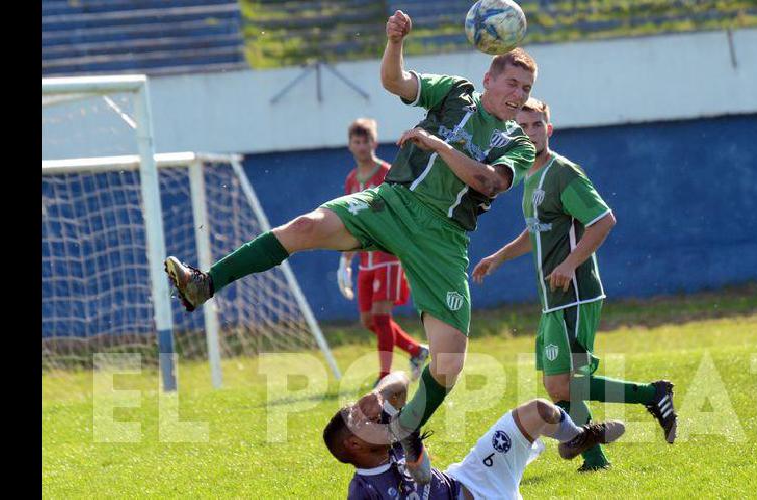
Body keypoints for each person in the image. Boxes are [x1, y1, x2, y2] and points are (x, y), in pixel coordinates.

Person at [164, 9, 538, 484]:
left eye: (525, 90)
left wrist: (435, 144)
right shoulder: (457, 93)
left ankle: (405, 436)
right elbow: (395, 81)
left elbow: (487, 182)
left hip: (442, 238)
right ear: (489, 77)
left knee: (448, 363)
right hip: (392, 202)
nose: (518, 96)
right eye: (512, 84)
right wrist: (395, 41)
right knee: (303, 227)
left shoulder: (516, 142)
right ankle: (204, 283)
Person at [472, 98, 678, 471]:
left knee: (569, 384)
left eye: (537, 125)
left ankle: (650, 397)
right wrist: (498, 256)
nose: (530, 133)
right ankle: (599, 452)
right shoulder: (529, 175)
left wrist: (569, 263)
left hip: (576, 295)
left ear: (549, 130)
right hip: (554, 298)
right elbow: (536, 230)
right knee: (560, 386)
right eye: (522, 128)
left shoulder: (563, 172)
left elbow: (603, 220)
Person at [324, 372, 626, 499]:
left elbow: (401, 380)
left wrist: (377, 394)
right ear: (353, 444)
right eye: (361, 420)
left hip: (474, 477)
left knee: (538, 411)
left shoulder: (389, 431)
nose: (372, 416)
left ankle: (575, 438)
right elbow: (423, 475)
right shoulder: (363, 489)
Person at [338, 118, 429, 384]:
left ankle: (384, 376)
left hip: (388, 255)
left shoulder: (387, 173)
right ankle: (416, 350)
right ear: (350, 146)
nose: (362, 145)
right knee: (369, 320)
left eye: (366, 140)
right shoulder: (351, 180)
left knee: (381, 315)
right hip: (365, 259)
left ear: (374, 142)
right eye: (357, 141)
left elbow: (400, 211)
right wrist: (345, 260)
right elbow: (351, 220)